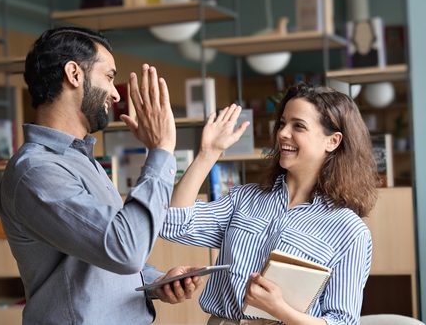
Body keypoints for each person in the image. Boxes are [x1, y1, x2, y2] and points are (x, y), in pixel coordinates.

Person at [0, 26, 203, 325]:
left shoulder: (81, 159)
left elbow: (99, 251)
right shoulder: (36, 171)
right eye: (109, 76)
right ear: (74, 74)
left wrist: (156, 281)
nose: (116, 93)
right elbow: (125, 249)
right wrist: (161, 149)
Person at [159, 83, 378, 325]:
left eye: (299, 126)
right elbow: (172, 223)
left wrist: (279, 309)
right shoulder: (243, 199)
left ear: (333, 141)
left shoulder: (349, 231)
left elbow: (342, 322)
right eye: (282, 123)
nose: (283, 133)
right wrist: (208, 153)